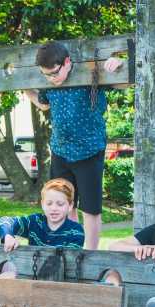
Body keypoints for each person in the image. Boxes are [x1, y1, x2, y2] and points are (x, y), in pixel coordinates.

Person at [24, 41, 123, 250]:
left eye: (54, 73)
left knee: (91, 209)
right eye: (46, 75)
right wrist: (23, 86)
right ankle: (71, 248)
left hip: (89, 150)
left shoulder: (90, 74)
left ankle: (91, 254)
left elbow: (125, 82)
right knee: (65, 205)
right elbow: (44, 104)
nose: (51, 79)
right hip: (61, 151)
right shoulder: (48, 85)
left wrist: (119, 63)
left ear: (68, 62)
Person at [0, 178, 84, 254]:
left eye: (60, 204)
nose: (54, 208)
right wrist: (8, 236)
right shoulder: (35, 221)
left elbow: (68, 261)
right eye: (49, 203)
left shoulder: (75, 231)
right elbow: (5, 220)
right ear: (42, 204)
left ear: (70, 206)